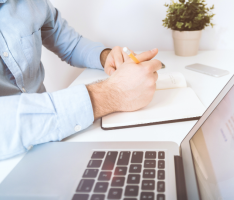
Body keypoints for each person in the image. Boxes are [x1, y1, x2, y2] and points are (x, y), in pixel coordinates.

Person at [0, 0, 162, 160]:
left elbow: (71, 44)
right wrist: (112, 93)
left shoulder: (34, 4)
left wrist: (106, 57)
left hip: (53, 139)